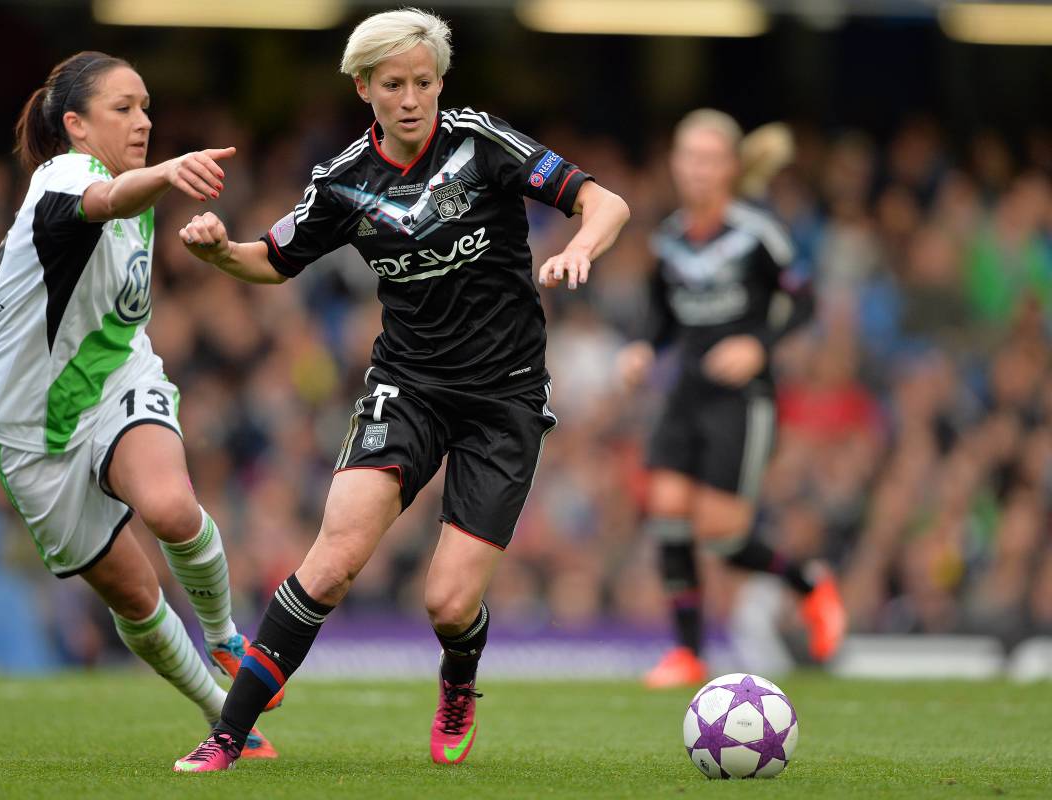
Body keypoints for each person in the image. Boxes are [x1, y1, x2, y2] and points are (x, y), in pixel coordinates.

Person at [171, 8, 630, 772]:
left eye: (425, 82)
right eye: (395, 84)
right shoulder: (346, 181)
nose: (413, 97)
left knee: (448, 603)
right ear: (364, 88)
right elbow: (271, 260)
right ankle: (226, 734)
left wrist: (580, 244)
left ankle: (458, 679)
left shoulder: (479, 143)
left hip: (504, 398)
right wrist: (221, 253)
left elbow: (604, 201)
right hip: (407, 386)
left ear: (441, 83)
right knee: (334, 557)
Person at [0, 51, 280, 757]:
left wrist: (209, 243)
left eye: (146, 106)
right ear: (77, 126)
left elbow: (120, 303)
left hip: (115, 381)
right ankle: (222, 714)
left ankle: (226, 640)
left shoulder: (135, 192)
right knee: (135, 598)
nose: (143, 121)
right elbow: (104, 203)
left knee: (170, 507)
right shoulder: (64, 177)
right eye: (124, 109)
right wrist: (170, 174)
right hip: (30, 433)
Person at [617, 110, 846, 688]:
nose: (695, 169)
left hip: (742, 399)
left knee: (722, 535)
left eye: (708, 158)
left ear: (731, 168)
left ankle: (808, 583)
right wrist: (643, 348)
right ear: (674, 164)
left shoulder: (757, 231)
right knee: (667, 509)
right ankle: (689, 653)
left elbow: (805, 301)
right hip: (687, 393)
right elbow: (660, 314)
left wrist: (757, 345)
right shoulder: (668, 237)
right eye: (687, 156)